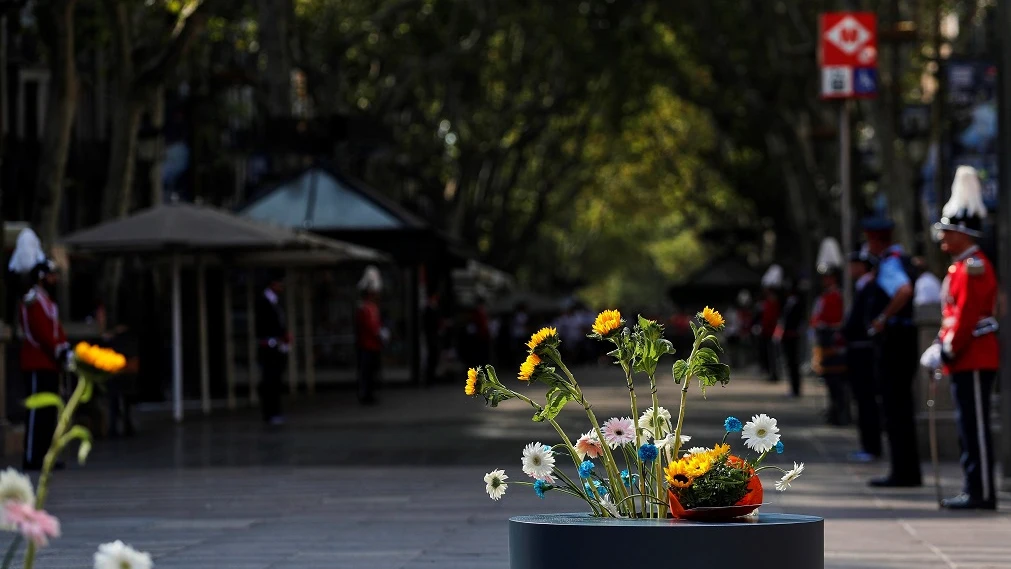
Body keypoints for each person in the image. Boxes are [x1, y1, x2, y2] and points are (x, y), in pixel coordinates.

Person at [920, 166, 999, 510]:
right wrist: (942, 344)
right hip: (966, 355)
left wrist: (948, 349)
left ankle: (981, 492)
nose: (942, 239)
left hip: (976, 355)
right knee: (968, 427)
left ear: (964, 233)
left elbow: (967, 316)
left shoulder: (974, 266)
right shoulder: (961, 267)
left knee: (977, 428)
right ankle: (973, 487)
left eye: (948, 232)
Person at [864, 216, 921, 488]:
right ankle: (907, 470)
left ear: (875, 240)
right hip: (903, 340)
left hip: (895, 343)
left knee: (895, 408)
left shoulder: (890, 263)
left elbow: (904, 290)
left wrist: (882, 318)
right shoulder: (900, 258)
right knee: (900, 408)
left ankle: (903, 472)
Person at [8, 229, 69, 471]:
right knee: (36, 415)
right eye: (51, 275)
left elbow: (55, 329)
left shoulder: (45, 300)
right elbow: (41, 331)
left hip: (48, 362)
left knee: (47, 414)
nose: (54, 279)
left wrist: (64, 348)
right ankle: (33, 457)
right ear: (42, 276)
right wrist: (57, 350)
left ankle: (45, 456)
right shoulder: (32, 299)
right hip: (36, 361)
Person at [843, 248, 886, 461]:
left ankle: (872, 447)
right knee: (862, 400)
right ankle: (868, 445)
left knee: (867, 400)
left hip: (864, 351)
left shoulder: (870, 286)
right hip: (857, 350)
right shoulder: (863, 286)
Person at [811, 264, 847, 422]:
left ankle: (841, 412)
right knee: (829, 379)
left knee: (838, 380)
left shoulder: (839, 296)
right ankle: (834, 409)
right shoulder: (825, 296)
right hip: (825, 340)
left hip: (835, 340)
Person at [256, 272, 290, 425]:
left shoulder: (275, 302)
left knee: (275, 380)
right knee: (270, 380)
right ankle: (270, 412)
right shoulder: (265, 302)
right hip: (269, 346)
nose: (281, 287)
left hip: (276, 345)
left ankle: (275, 411)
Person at [355, 266, 386, 406]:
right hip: (367, 345)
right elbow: (370, 326)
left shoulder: (371, 307)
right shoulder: (364, 308)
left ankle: (370, 393)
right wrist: (379, 333)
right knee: (366, 372)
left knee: (372, 372)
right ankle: (366, 394)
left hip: (373, 344)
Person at [776, 282, 804, 396]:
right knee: (789, 362)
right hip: (787, 335)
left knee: (794, 362)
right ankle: (793, 387)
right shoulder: (788, 303)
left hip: (793, 335)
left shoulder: (797, 302)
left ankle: (796, 388)